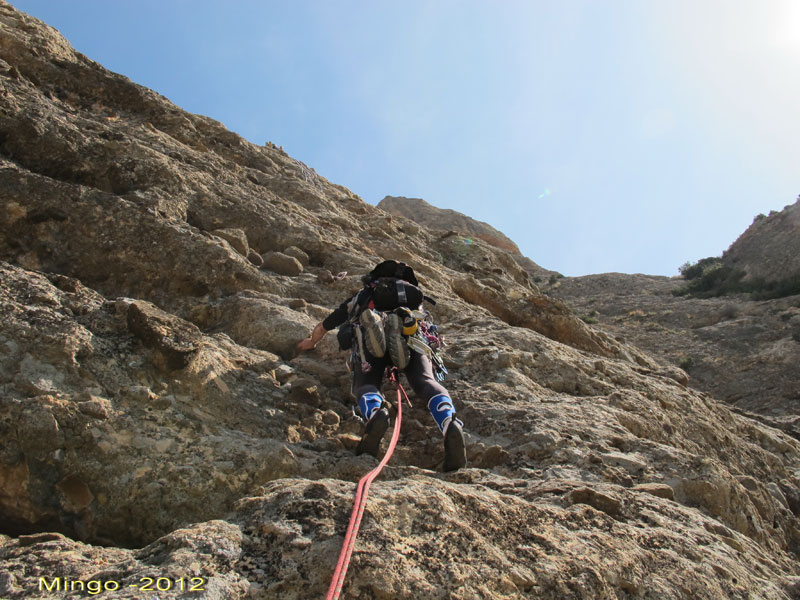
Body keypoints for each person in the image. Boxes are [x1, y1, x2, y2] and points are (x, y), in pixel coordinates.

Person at [297, 260, 467, 472]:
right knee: (425, 380)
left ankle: (376, 412)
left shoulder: (366, 293)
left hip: (368, 339)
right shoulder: (414, 298)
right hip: (413, 336)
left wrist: (311, 341)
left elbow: (328, 323)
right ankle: (449, 422)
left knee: (367, 383)